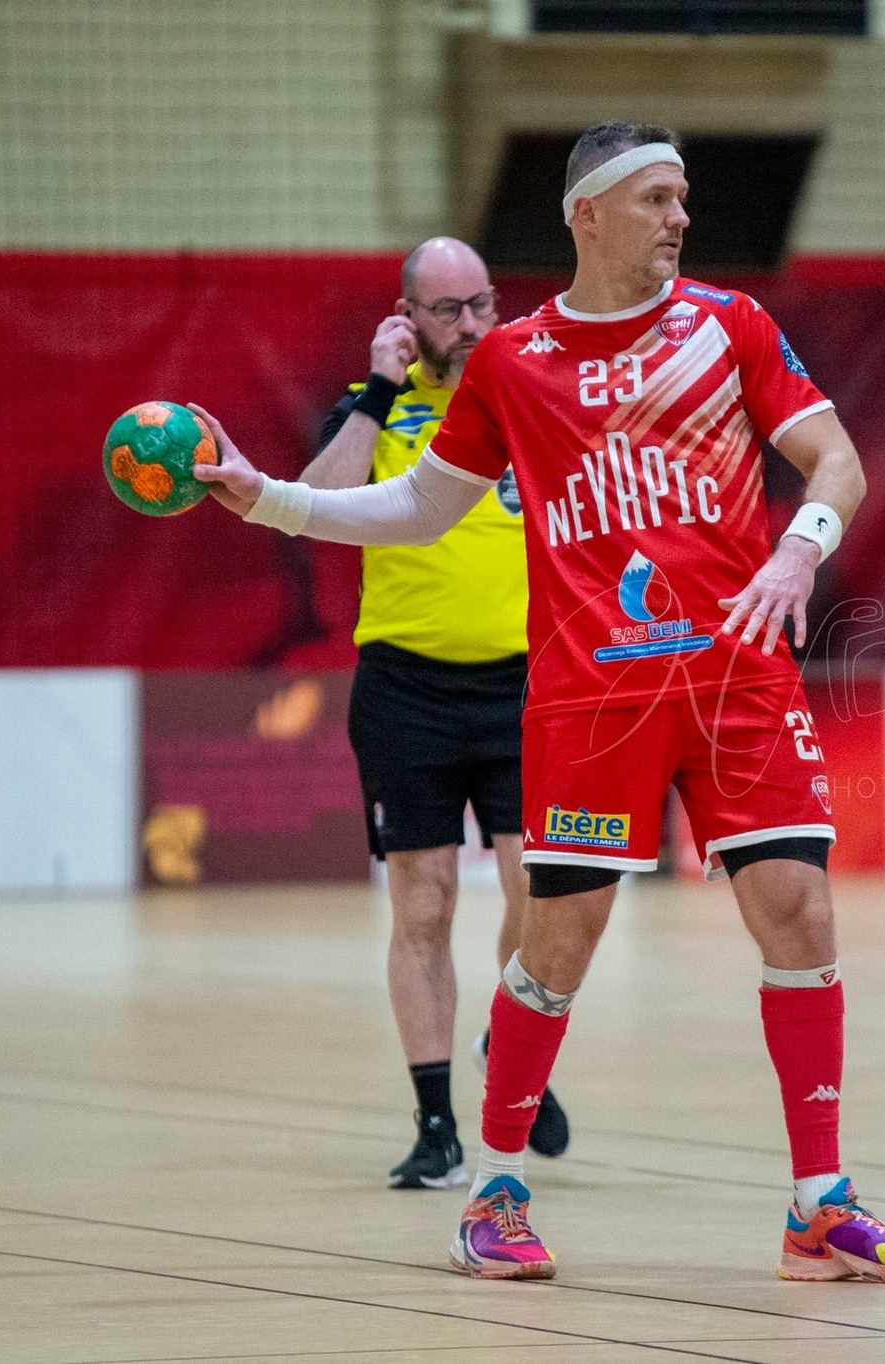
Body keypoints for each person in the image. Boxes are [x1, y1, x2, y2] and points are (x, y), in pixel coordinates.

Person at [191, 122, 885, 1285]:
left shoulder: (728, 325)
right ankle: (493, 1191)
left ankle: (817, 1203)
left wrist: (796, 552)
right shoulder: (513, 361)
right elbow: (414, 509)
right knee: (560, 938)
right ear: (585, 215)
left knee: (797, 909)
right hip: (591, 696)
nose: (679, 218)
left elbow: (835, 459)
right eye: (654, 198)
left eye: (683, 197)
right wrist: (268, 501)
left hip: (737, 673)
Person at [306, 236, 567, 1191]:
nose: (470, 325)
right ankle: (435, 1125)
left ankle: (506, 1037)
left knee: (541, 895)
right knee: (425, 903)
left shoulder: (527, 395)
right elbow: (322, 505)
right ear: (406, 316)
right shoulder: (374, 408)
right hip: (407, 688)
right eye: (449, 309)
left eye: (482, 305)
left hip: (523, 687)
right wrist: (377, 393)